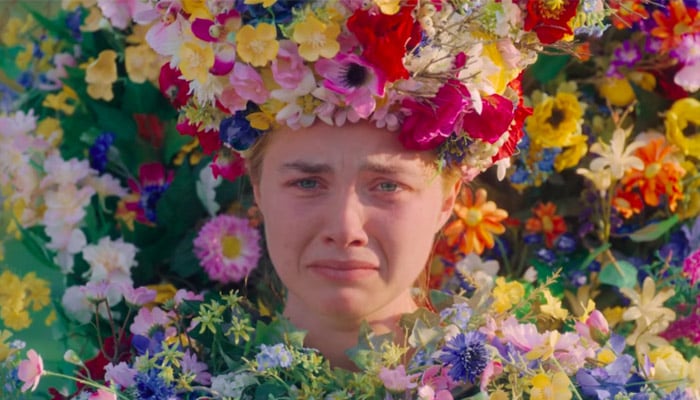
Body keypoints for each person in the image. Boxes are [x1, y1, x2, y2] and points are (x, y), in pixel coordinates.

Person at [145, 0, 577, 370]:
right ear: (258, 188)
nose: (346, 227)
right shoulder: (167, 382)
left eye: (387, 186)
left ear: (448, 199)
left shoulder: (537, 385)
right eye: (308, 182)